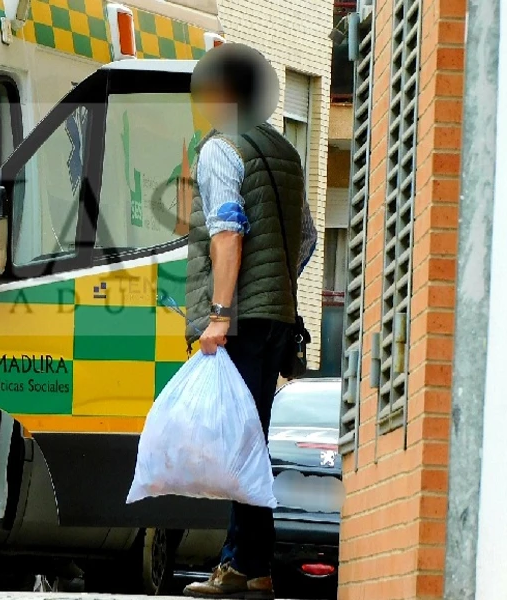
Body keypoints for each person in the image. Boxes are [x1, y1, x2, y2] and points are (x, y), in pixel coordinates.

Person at [180, 44, 317, 599]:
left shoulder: (219, 151)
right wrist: (276, 286)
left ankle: (240, 563)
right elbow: (306, 237)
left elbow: (228, 234)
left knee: (240, 439)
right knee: (250, 436)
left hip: (239, 318)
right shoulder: (284, 150)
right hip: (278, 313)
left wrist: (219, 314)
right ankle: (254, 567)